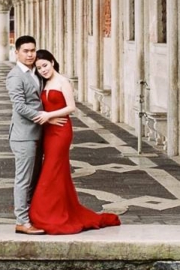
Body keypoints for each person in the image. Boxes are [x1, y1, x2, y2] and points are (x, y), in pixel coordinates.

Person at [28, 49, 122, 234]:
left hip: (62, 131)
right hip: (48, 131)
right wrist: (48, 119)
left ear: (52, 62)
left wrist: (49, 115)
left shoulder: (63, 81)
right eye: (39, 68)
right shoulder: (43, 83)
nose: (43, 70)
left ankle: (48, 214)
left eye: (45, 65)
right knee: (57, 171)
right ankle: (58, 210)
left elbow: (71, 107)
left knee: (52, 170)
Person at [6, 35, 66, 235]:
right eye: (25, 51)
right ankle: (22, 221)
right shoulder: (15, 76)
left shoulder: (37, 73)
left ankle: (33, 216)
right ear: (17, 52)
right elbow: (20, 106)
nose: (30, 54)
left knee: (35, 179)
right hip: (24, 135)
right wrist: (47, 118)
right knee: (23, 179)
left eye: (32, 50)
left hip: (39, 134)